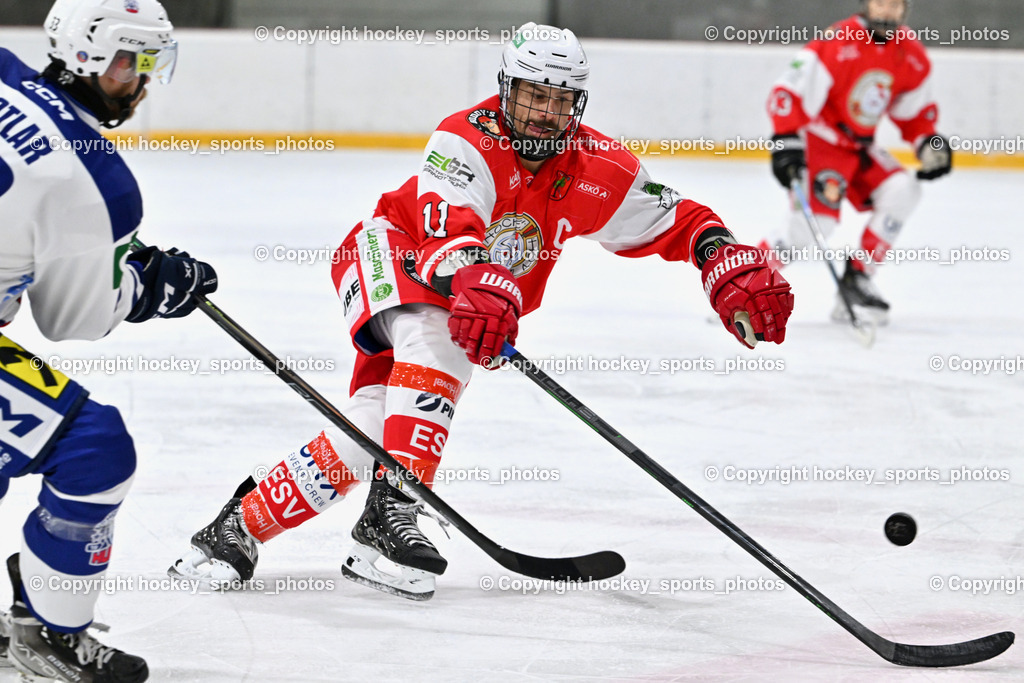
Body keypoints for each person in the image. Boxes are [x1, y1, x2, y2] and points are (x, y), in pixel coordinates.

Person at [170, 22, 793, 601]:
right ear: (506, 89)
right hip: (395, 253)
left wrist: (718, 258)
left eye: (560, 99)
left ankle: (238, 529)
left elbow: (676, 218)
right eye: (532, 95)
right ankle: (397, 507)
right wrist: (477, 280)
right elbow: (451, 229)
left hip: (467, 292)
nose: (545, 112)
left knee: (373, 427)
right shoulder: (464, 136)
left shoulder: (600, 168)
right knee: (441, 345)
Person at [0, 0, 217, 680]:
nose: (139, 81)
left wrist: (102, 250)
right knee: (95, 450)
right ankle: (49, 634)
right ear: (86, 56)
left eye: (149, 65)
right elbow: (73, 318)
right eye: (129, 63)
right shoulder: (100, 183)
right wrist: (146, 286)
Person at [760, 0, 951, 324]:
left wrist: (928, 144)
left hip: (859, 149)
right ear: (866, 4)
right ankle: (743, 280)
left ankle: (857, 279)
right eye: (881, 2)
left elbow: (915, 114)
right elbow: (787, 91)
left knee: (903, 190)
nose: (887, 11)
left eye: (895, 5)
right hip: (820, 144)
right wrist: (787, 138)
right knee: (814, 226)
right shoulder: (838, 41)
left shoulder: (911, 54)